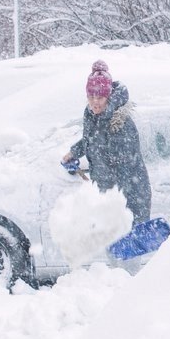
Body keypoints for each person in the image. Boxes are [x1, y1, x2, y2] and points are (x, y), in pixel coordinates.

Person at [62, 60, 152, 227]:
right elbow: (93, 138)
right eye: (91, 96)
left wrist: (112, 204)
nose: (95, 101)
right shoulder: (92, 114)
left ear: (109, 96)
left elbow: (123, 171)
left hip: (128, 199)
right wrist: (74, 152)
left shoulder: (120, 124)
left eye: (101, 97)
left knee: (123, 249)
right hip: (109, 198)